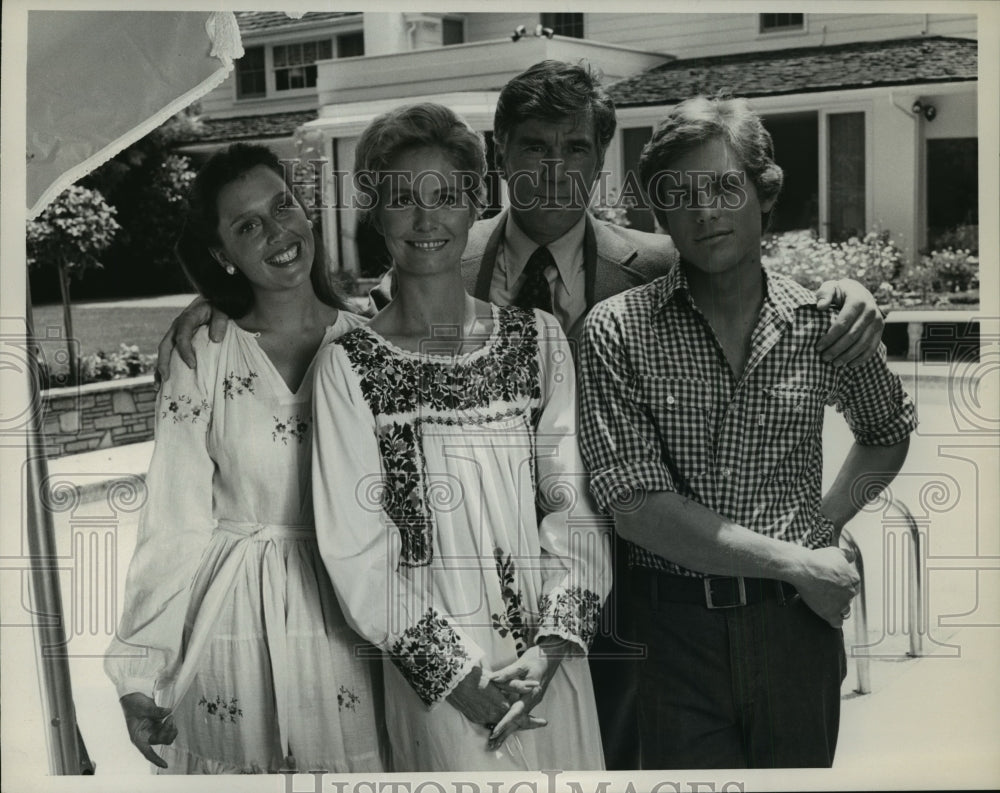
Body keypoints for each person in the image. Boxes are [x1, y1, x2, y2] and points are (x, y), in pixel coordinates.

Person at [154, 61, 887, 771]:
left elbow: (748, 266)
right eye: (534, 146)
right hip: (447, 649)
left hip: (626, 615)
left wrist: (848, 292)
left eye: (575, 147)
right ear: (497, 164)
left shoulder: (653, 273)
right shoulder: (390, 310)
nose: (553, 168)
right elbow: (355, 509)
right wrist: (221, 304)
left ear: (599, 159)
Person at [577, 95, 917, 769]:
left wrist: (823, 522)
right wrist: (796, 557)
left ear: (765, 195)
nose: (705, 212)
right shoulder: (617, 329)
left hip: (795, 628)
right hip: (672, 634)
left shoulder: (824, 323)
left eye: (726, 186)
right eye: (681, 194)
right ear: (659, 211)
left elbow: (888, 428)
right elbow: (639, 509)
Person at [310, 102, 610, 772]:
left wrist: (551, 647)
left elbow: (574, 507)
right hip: (439, 687)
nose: (426, 220)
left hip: (546, 660)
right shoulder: (350, 367)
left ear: (477, 202)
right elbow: (356, 552)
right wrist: (459, 679)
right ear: (374, 211)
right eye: (402, 199)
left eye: (446, 196)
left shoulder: (537, 340)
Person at [105, 144, 389, 774]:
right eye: (247, 226)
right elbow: (173, 523)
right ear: (221, 255)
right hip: (234, 618)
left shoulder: (375, 347)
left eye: (282, 205)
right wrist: (138, 668)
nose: (277, 232)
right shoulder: (203, 356)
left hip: (355, 612)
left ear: (306, 210)